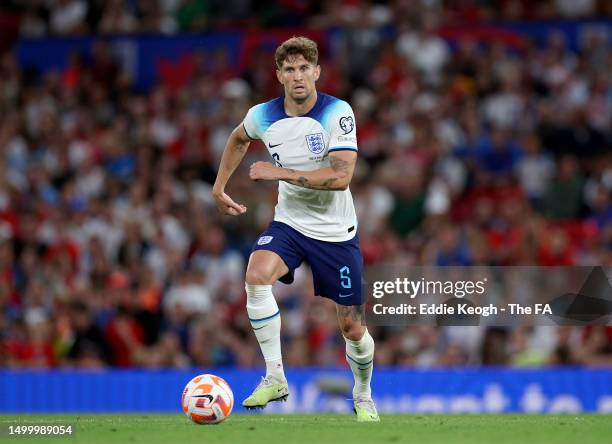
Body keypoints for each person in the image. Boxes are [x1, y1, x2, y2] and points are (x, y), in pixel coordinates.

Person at [212, 36, 379, 422]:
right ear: (279, 75)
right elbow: (239, 138)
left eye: (305, 68)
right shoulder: (263, 115)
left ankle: (363, 392)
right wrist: (219, 187)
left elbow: (340, 177)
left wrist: (280, 173)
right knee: (255, 275)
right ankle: (274, 376)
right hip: (289, 223)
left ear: (317, 72)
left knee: (353, 328)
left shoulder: (338, 112)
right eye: (290, 69)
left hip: (336, 232)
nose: (298, 75)